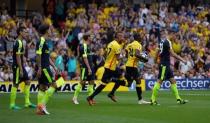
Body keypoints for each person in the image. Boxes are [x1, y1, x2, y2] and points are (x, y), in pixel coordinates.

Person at [108, 33, 151, 104]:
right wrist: (144, 59)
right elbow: (137, 54)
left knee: (128, 84)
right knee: (138, 81)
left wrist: (131, 58)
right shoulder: (138, 44)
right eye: (140, 36)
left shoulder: (130, 44)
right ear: (138, 38)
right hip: (132, 66)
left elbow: (126, 52)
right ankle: (140, 100)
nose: (141, 38)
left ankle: (112, 86)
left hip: (128, 65)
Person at [87, 32, 127, 106]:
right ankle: (111, 91)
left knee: (103, 84)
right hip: (112, 67)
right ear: (117, 38)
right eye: (121, 37)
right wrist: (124, 56)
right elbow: (118, 57)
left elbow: (107, 53)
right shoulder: (116, 46)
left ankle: (90, 97)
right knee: (125, 82)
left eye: (123, 37)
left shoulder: (111, 43)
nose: (123, 38)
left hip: (108, 66)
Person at [150, 31, 188, 105]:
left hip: (164, 64)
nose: (175, 37)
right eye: (174, 35)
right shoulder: (168, 42)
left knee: (173, 81)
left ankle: (178, 99)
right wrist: (182, 60)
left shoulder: (161, 42)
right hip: (164, 64)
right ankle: (153, 100)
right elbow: (173, 54)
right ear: (171, 34)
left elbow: (156, 52)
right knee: (159, 81)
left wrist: (155, 61)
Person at [36, 24, 65, 115]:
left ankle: (39, 109)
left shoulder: (44, 41)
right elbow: (38, 55)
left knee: (42, 88)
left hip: (45, 67)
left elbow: (46, 57)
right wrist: (40, 67)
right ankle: (42, 105)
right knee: (55, 85)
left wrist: (54, 67)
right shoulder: (41, 41)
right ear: (46, 31)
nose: (51, 31)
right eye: (49, 29)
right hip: (44, 68)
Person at [10, 26, 36, 110]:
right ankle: (12, 104)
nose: (26, 33)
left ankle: (27, 102)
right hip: (18, 66)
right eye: (25, 32)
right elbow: (17, 57)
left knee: (28, 81)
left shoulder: (20, 42)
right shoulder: (19, 42)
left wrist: (23, 58)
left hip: (20, 65)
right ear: (20, 32)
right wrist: (21, 69)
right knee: (16, 84)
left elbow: (19, 55)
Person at [72, 34, 95, 104]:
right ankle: (74, 98)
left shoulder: (88, 46)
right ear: (88, 38)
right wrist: (88, 68)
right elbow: (84, 58)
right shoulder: (84, 46)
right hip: (86, 67)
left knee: (91, 82)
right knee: (82, 82)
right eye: (91, 36)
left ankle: (90, 98)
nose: (92, 37)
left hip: (90, 66)